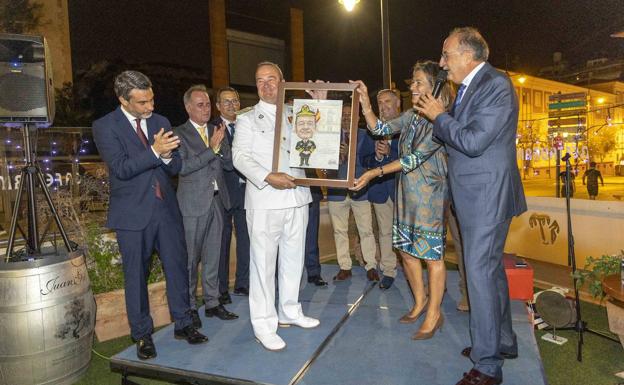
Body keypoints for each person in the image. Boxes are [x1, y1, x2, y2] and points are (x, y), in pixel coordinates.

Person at [417, 27, 527, 385]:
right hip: (473, 194)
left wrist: (439, 115)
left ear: (468, 56)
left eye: (447, 54)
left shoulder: (495, 85)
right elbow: (451, 137)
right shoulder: (467, 88)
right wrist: (440, 114)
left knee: (478, 274)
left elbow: (473, 141)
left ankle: (487, 366)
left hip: (486, 196)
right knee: (490, 273)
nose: (442, 62)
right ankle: (501, 342)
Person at [92, 71, 207, 360]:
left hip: (166, 210)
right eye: (142, 102)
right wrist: (156, 151)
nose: (150, 107)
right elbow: (121, 169)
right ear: (123, 100)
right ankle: (142, 335)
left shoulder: (161, 122)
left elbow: (175, 166)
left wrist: (167, 157)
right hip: (132, 215)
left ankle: (183, 323)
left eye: (152, 98)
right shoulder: (105, 126)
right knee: (135, 277)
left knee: (178, 268)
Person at [352, 61, 452, 341]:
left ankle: (434, 312)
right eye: (413, 82)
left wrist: (374, 172)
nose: (413, 86)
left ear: (435, 86)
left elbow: (413, 159)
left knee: (432, 256)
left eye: (419, 82)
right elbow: (380, 128)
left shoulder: (440, 119)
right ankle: (420, 302)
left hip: (430, 195)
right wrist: (365, 102)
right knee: (407, 252)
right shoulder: (412, 115)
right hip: (407, 194)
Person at [232, 62, 319, 352]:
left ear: (283, 81)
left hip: (297, 197)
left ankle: (290, 310)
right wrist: (268, 177)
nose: (266, 85)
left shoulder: (299, 113)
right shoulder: (246, 119)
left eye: (272, 79)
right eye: (260, 80)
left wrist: (320, 106)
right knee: (263, 266)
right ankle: (264, 325)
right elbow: (240, 158)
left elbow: (320, 146)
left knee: (294, 259)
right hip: (265, 199)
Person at [174, 85, 238, 328]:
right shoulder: (177, 133)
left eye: (208, 104)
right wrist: (212, 149)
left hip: (218, 201)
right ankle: (190, 307)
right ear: (188, 107)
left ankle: (212, 303)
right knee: (191, 260)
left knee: (213, 257)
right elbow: (182, 167)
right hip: (192, 205)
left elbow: (230, 165)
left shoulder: (216, 129)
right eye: (200, 105)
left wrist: (222, 150)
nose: (206, 109)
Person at [327, 103, 380, 283]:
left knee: (366, 230)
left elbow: (370, 162)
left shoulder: (367, 136)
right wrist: (335, 158)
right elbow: (323, 164)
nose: (347, 117)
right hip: (336, 190)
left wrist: (350, 154)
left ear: (358, 117)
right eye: (344, 115)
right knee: (339, 231)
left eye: (351, 115)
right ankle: (345, 266)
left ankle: (371, 265)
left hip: (361, 190)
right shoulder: (329, 136)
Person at [212, 87, 250, 305]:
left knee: (246, 240)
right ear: (218, 106)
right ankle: (221, 289)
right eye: (226, 102)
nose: (231, 105)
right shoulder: (211, 129)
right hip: (223, 194)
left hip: (247, 192)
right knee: (222, 242)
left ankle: (243, 283)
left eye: (235, 101)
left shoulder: (247, 126)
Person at [359, 89, 400, 289]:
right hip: (381, 190)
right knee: (385, 233)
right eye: (380, 103)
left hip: (404, 190)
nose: (383, 107)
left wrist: (390, 153)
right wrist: (376, 157)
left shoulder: (409, 125)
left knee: (407, 233)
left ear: (398, 103)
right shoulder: (371, 129)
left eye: (387, 102)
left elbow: (414, 156)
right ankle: (389, 271)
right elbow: (363, 158)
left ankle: (415, 272)